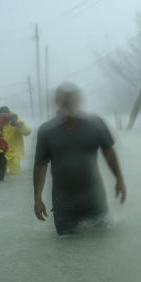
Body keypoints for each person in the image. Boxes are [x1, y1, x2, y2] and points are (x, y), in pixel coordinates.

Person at [33, 83, 126, 235]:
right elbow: (40, 165)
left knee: (103, 246)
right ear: (57, 102)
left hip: (94, 199)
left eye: (73, 101)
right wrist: (37, 198)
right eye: (65, 102)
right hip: (63, 204)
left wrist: (119, 180)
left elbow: (109, 153)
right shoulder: (47, 131)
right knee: (66, 248)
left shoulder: (95, 124)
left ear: (79, 102)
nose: (69, 105)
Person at [0, 106, 32, 175]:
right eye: (2, 116)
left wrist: (18, 125)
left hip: (14, 154)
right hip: (0, 153)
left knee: (16, 175)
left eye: (6, 115)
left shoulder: (16, 120)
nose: (4, 117)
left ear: (9, 114)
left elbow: (28, 132)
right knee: (1, 176)